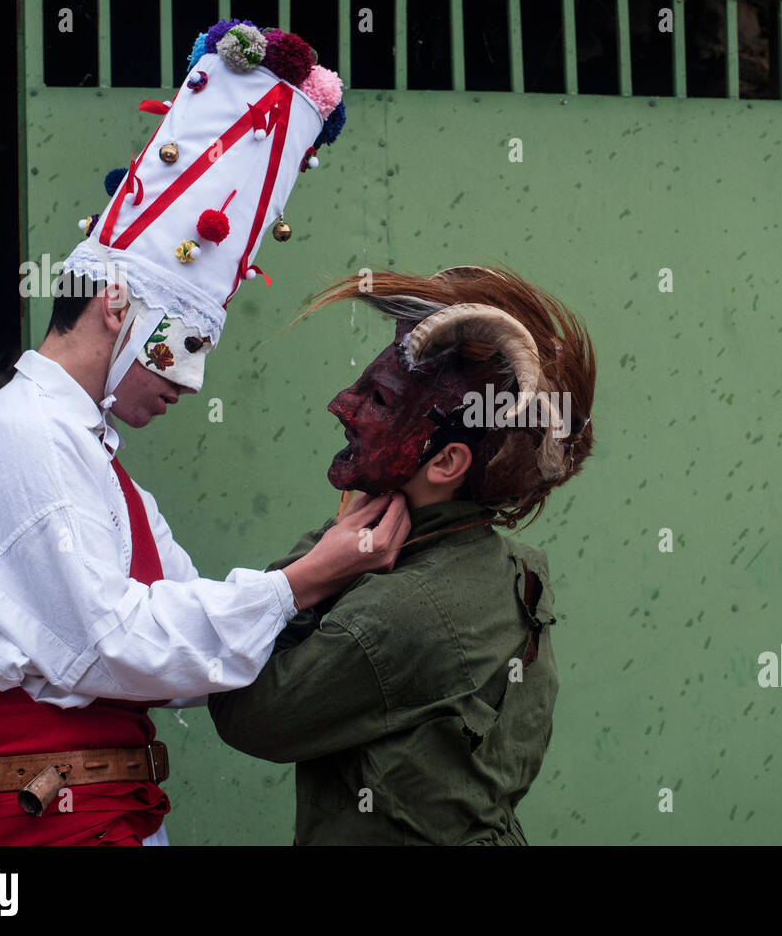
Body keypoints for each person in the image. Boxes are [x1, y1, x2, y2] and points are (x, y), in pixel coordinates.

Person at [0, 18, 407, 846]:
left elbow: (178, 629)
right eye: (185, 342)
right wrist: (299, 583)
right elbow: (119, 640)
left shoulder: (96, 462)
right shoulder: (14, 437)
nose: (185, 380)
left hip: (103, 818)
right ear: (115, 305)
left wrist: (322, 567)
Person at [208, 265, 596, 845]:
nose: (343, 405)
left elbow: (249, 712)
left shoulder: (401, 610)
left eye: (380, 398)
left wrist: (312, 569)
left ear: (447, 463)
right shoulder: (510, 568)